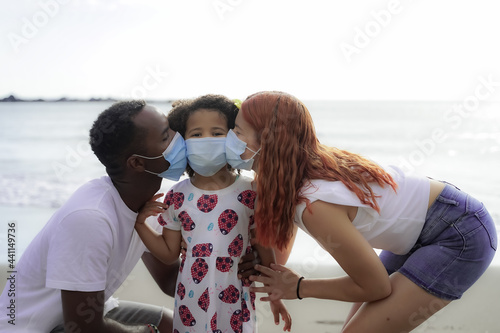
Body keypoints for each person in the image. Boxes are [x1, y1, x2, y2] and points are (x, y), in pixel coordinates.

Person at [225, 91, 497, 332]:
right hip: (422, 225)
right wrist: (276, 287)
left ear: (267, 141)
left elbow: (377, 287)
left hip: (458, 233)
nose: (229, 139)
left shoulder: (313, 205)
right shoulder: (284, 177)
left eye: (237, 132)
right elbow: (278, 251)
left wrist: (298, 288)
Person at [134, 94, 292, 332]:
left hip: (236, 296)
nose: (206, 140)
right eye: (196, 134)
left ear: (232, 138)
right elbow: (168, 253)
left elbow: (262, 244)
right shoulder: (176, 196)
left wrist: (275, 294)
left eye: (217, 133)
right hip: (190, 297)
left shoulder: (250, 191)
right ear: (182, 142)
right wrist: (139, 224)